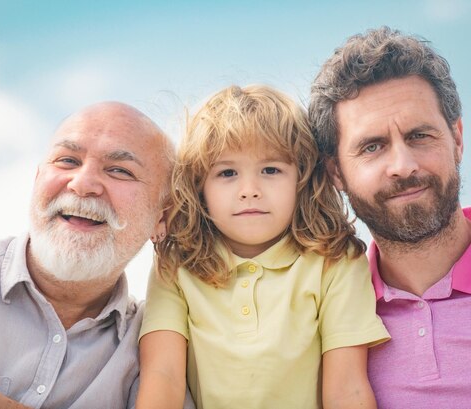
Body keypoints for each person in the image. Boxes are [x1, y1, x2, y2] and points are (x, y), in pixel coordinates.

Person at [309, 26, 471, 408]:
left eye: (419, 136)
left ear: (457, 139)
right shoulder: (327, 315)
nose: (402, 165)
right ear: (335, 173)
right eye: (372, 146)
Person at [136, 85, 390, 409]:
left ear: (303, 179)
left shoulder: (337, 262)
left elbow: (347, 390)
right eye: (227, 172)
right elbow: (163, 377)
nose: (249, 190)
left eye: (271, 170)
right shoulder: (174, 266)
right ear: (199, 188)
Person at [0, 102, 174, 409]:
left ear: (162, 218)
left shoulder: (157, 347)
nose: (82, 184)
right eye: (67, 161)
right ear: (37, 180)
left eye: (119, 170)